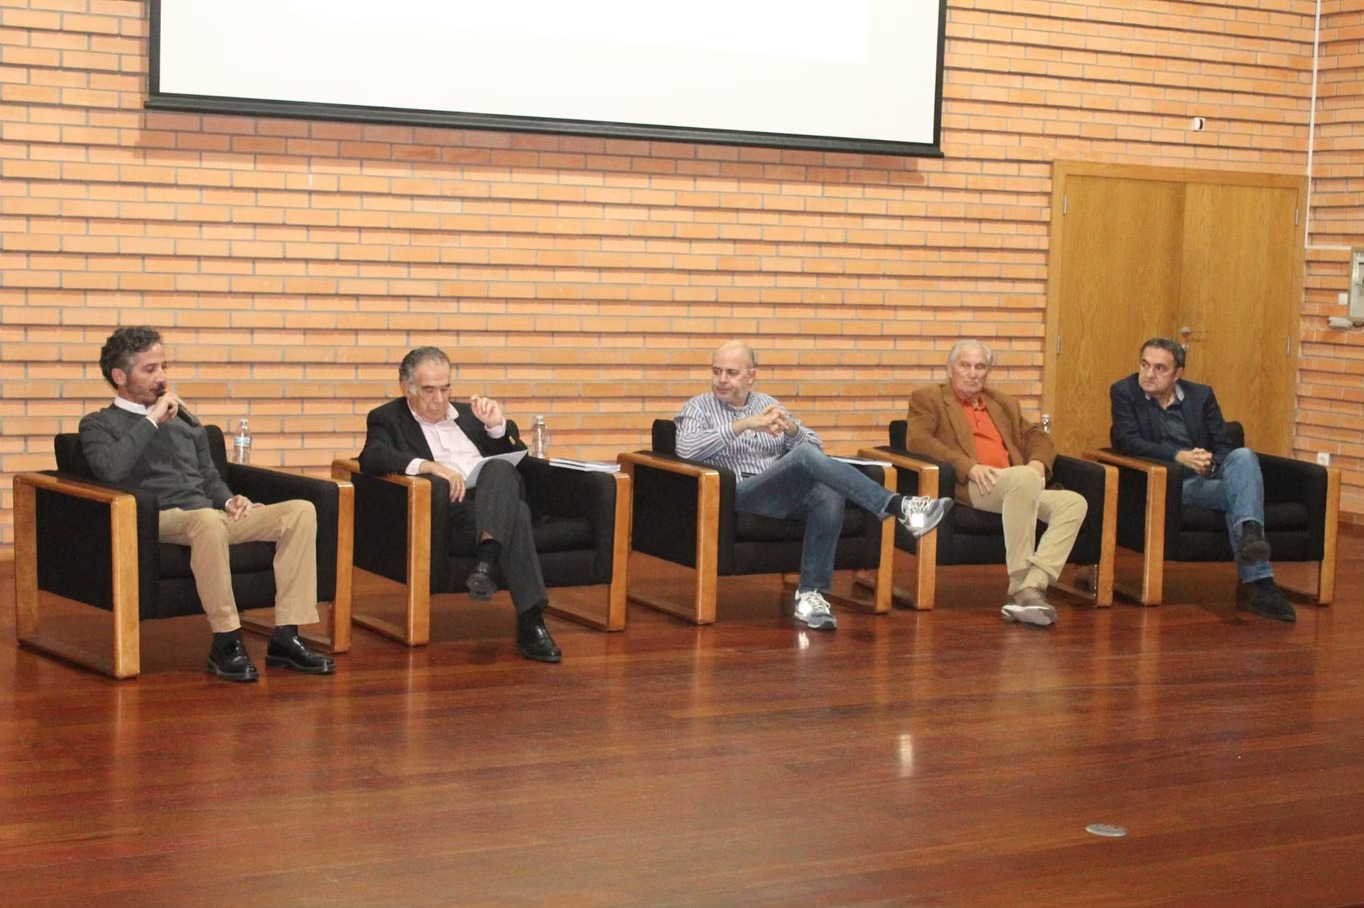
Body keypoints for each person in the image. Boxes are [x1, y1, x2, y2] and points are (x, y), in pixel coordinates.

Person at [79, 327, 335, 682]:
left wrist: (231, 500)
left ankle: (286, 637)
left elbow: (208, 477)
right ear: (120, 377)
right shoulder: (99, 424)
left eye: (163, 366)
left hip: (208, 515)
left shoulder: (185, 423)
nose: (162, 377)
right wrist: (152, 419)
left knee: (300, 512)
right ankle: (226, 641)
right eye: (149, 369)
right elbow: (110, 468)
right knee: (206, 521)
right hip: (153, 519)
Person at [674, 340, 952, 631]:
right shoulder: (699, 407)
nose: (721, 380)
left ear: (751, 376)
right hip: (735, 493)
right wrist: (743, 425)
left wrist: (792, 430)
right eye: (716, 371)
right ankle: (899, 506)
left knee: (826, 491)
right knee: (805, 457)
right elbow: (686, 448)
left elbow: (815, 449)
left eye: (731, 373)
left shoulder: (768, 405)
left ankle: (810, 595)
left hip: (778, 493)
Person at [357, 347, 561, 663]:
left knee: (499, 470)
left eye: (445, 388)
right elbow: (371, 458)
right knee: (517, 513)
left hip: (492, 501)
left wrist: (497, 427)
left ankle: (487, 561)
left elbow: (520, 459)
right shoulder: (387, 419)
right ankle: (530, 622)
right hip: (450, 513)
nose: (439, 398)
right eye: (428, 390)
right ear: (406, 387)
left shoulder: (470, 416)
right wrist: (427, 465)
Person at [905, 339, 1087, 628]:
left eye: (980, 367)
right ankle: (1018, 586)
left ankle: (1034, 584)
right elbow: (918, 440)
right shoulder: (928, 398)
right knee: (1025, 479)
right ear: (950, 368)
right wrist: (968, 466)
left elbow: (1037, 436)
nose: (973, 373)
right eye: (965, 365)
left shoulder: (1003, 403)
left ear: (988, 372)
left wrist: (1038, 463)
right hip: (974, 484)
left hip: (1017, 484)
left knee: (1074, 503)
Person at [1109, 337, 1294, 621]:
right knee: (1242, 494)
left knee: (1244, 456)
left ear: (1177, 374)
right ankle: (1261, 583)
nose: (1149, 374)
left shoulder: (1201, 395)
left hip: (1207, 478)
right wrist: (1178, 455)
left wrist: (1210, 464)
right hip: (1169, 484)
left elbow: (1223, 443)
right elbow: (1127, 441)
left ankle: (1252, 536)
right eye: (1145, 365)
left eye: (1160, 368)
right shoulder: (1125, 392)